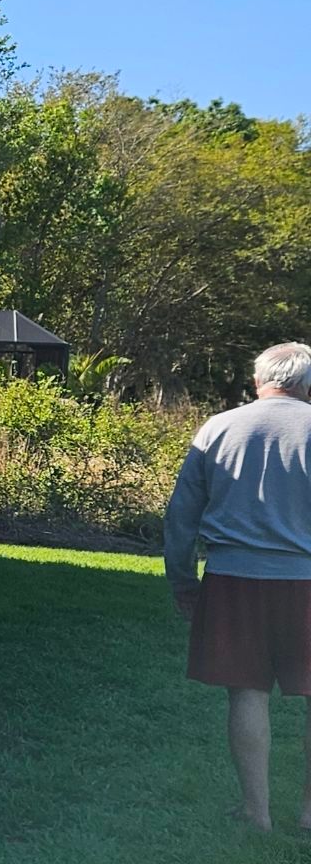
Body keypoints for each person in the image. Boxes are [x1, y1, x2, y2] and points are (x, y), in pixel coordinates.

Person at [164, 342, 311, 832]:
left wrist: (183, 580)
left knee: (247, 693)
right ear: (307, 384)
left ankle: (257, 813)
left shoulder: (218, 428)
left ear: (257, 381)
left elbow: (181, 516)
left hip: (233, 580)